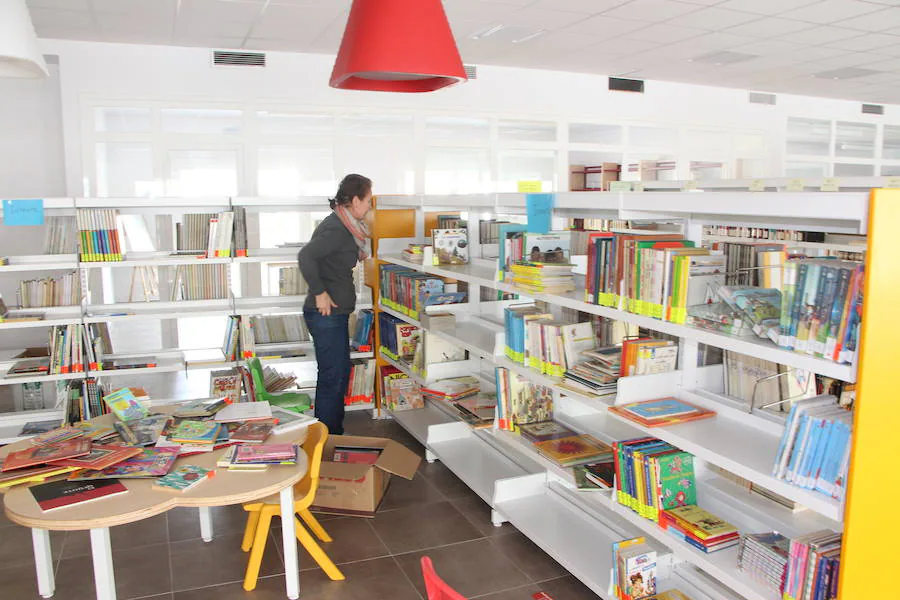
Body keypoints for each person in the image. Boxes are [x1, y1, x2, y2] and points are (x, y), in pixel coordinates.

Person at [297, 174, 372, 434]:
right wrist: (319, 293)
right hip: (326, 314)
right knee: (333, 378)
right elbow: (306, 256)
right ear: (355, 200)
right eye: (368, 200)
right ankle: (327, 440)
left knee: (336, 376)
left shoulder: (343, 225)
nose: (370, 206)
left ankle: (327, 436)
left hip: (333, 314)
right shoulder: (337, 229)